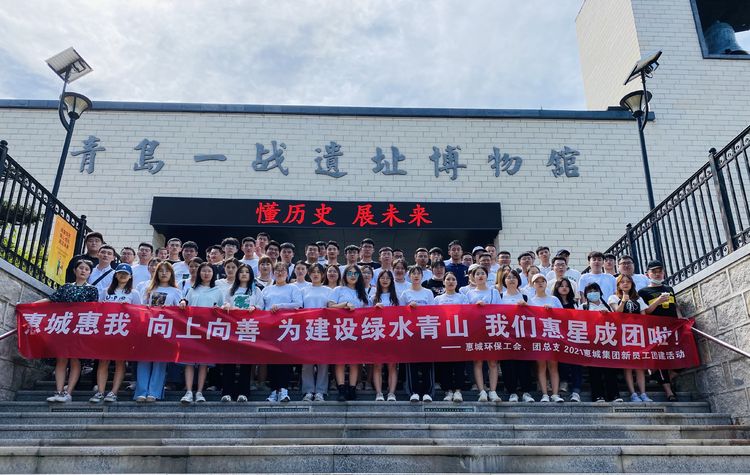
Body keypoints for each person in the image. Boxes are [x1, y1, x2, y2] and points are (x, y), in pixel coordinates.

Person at [41, 260, 99, 403]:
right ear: (75, 270)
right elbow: (51, 300)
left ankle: (68, 392)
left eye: (87, 269)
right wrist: (28, 306)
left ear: (90, 273)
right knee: (61, 358)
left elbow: (94, 309)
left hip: (80, 327)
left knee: (75, 359)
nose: (83, 271)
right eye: (81, 268)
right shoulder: (66, 287)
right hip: (63, 326)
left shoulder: (92, 290)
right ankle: (59, 391)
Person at [89, 263, 141, 403]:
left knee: (120, 362)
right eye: (120, 273)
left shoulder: (134, 293)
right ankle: (100, 392)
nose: (122, 275)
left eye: (125, 273)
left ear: (130, 277)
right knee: (103, 361)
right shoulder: (106, 291)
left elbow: (139, 313)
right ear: (116, 275)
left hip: (123, 332)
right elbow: (98, 310)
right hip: (106, 331)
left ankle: (113, 392)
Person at [178, 262, 224, 404]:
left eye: (209, 271)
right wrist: (183, 303)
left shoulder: (218, 291)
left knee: (204, 363)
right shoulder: (192, 290)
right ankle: (188, 391)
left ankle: (199, 392)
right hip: (192, 330)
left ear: (213, 274)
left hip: (208, 331)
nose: (206, 273)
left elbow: (222, 309)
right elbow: (185, 305)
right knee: (189, 362)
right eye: (203, 271)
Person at [137, 261, 182, 402]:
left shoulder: (176, 291)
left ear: (171, 274)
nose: (164, 273)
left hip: (165, 329)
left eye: (167, 271)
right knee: (144, 360)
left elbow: (179, 312)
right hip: (148, 328)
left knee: (160, 361)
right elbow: (141, 308)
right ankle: (141, 391)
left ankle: (154, 392)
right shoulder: (148, 289)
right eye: (161, 270)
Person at [638, 260, 682, 402]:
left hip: (673, 328)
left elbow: (675, 306)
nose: (657, 274)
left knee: (681, 358)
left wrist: (681, 319)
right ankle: (669, 392)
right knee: (661, 360)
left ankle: (661, 377)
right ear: (647, 274)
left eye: (660, 271)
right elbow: (645, 312)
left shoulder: (669, 288)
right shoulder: (643, 292)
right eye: (654, 272)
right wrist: (658, 301)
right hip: (656, 330)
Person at [221, 264, 263, 402]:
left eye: (247, 272)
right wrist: (226, 306)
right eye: (241, 272)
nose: (244, 274)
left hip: (248, 328)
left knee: (246, 362)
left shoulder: (256, 290)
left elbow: (261, 306)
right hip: (233, 329)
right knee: (229, 361)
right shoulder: (231, 290)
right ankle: (227, 392)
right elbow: (224, 304)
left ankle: (243, 392)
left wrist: (254, 307)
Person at [328, 264, 370, 401]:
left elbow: (368, 310)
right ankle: (341, 389)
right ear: (345, 275)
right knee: (340, 360)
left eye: (355, 273)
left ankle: (352, 389)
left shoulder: (362, 292)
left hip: (357, 330)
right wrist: (344, 305)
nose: (352, 276)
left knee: (354, 361)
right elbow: (330, 306)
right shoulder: (338, 289)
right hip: (340, 329)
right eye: (349, 273)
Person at [262, 262, 303, 402]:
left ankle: (284, 390)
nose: (280, 273)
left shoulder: (293, 288)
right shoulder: (267, 290)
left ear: (287, 273)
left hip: (287, 328)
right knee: (272, 361)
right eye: (277, 270)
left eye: (283, 270)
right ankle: (274, 391)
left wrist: (280, 306)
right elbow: (262, 308)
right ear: (273, 273)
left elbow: (298, 304)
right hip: (270, 329)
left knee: (285, 360)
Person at [609, 274, 652, 403]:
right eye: (622, 282)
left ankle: (643, 393)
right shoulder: (613, 297)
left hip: (637, 335)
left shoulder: (638, 299)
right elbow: (617, 313)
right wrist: (623, 300)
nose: (625, 284)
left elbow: (644, 317)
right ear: (618, 285)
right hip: (622, 335)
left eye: (628, 281)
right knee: (628, 365)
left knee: (639, 366)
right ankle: (633, 393)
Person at [581, 282, 622, 403]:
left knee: (610, 370)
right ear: (586, 294)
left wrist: (608, 315)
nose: (593, 293)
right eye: (589, 291)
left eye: (595, 290)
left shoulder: (608, 306)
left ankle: (614, 395)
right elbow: (579, 323)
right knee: (594, 371)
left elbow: (617, 320)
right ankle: (598, 395)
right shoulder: (583, 307)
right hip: (592, 342)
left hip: (608, 341)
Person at [466, 265, 502, 402]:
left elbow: (501, 310)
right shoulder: (469, 294)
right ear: (473, 277)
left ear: (487, 276)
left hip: (492, 329)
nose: (480, 276)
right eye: (477, 274)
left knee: (492, 362)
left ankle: (493, 391)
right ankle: (481, 391)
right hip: (476, 330)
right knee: (478, 362)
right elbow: (465, 313)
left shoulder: (494, 292)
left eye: (483, 273)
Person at [400, 266, 436, 402]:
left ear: (422, 276)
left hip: (426, 331)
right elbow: (400, 314)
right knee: (412, 364)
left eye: (418, 273)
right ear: (409, 276)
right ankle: (413, 391)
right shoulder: (405, 294)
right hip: (411, 332)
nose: (416, 276)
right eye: (413, 273)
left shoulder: (428, 292)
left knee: (427, 363)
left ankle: (427, 392)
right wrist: (408, 308)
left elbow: (434, 311)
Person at [498, 269, 535, 402]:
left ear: (518, 280)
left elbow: (535, 315)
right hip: (505, 336)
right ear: (504, 281)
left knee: (524, 365)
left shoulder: (525, 297)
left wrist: (527, 307)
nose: (511, 279)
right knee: (508, 365)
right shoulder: (500, 297)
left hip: (523, 336)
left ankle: (526, 392)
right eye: (508, 277)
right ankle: (512, 392)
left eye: (514, 277)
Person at [527, 273, 564, 403]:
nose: (540, 283)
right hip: (539, 337)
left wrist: (552, 311)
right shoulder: (530, 301)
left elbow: (564, 316)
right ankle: (544, 394)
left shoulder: (554, 299)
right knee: (541, 366)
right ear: (533, 285)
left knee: (553, 366)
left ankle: (555, 394)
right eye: (537, 281)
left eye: (542, 281)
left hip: (552, 336)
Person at [300, 264, 332, 402]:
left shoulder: (328, 290)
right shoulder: (303, 290)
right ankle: (308, 390)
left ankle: (320, 391)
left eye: (319, 272)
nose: (316, 274)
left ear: (323, 274)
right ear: (309, 274)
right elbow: (299, 307)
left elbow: (332, 308)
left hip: (323, 328)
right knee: (307, 362)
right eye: (313, 272)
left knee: (323, 362)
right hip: (307, 328)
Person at [434, 271, 468, 402]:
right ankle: (447, 390)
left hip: (459, 334)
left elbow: (468, 314)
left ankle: (458, 390)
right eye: (448, 279)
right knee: (445, 364)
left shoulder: (462, 298)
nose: (451, 282)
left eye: (453, 279)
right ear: (443, 282)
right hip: (443, 335)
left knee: (459, 364)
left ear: (457, 282)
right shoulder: (437, 299)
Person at [371, 269, 400, 402]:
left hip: (393, 335)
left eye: (388, 278)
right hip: (377, 334)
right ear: (378, 280)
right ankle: (379, 393)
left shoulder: (397, 297)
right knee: (377, 365)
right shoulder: (373, 297)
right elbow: (365, 315)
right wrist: (374, 308)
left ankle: (391, 393)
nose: (385, 280)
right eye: (382, 278)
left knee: (392, 365)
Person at [553, 278, 583, 402]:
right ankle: (563, 382)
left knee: (577, 363)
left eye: (567, 286)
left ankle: (576, 390)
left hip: (574, 336)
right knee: (562, 362)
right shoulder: (553, 302)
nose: (564, 288)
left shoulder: (575, 303)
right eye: (561, 286)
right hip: (559, 337)